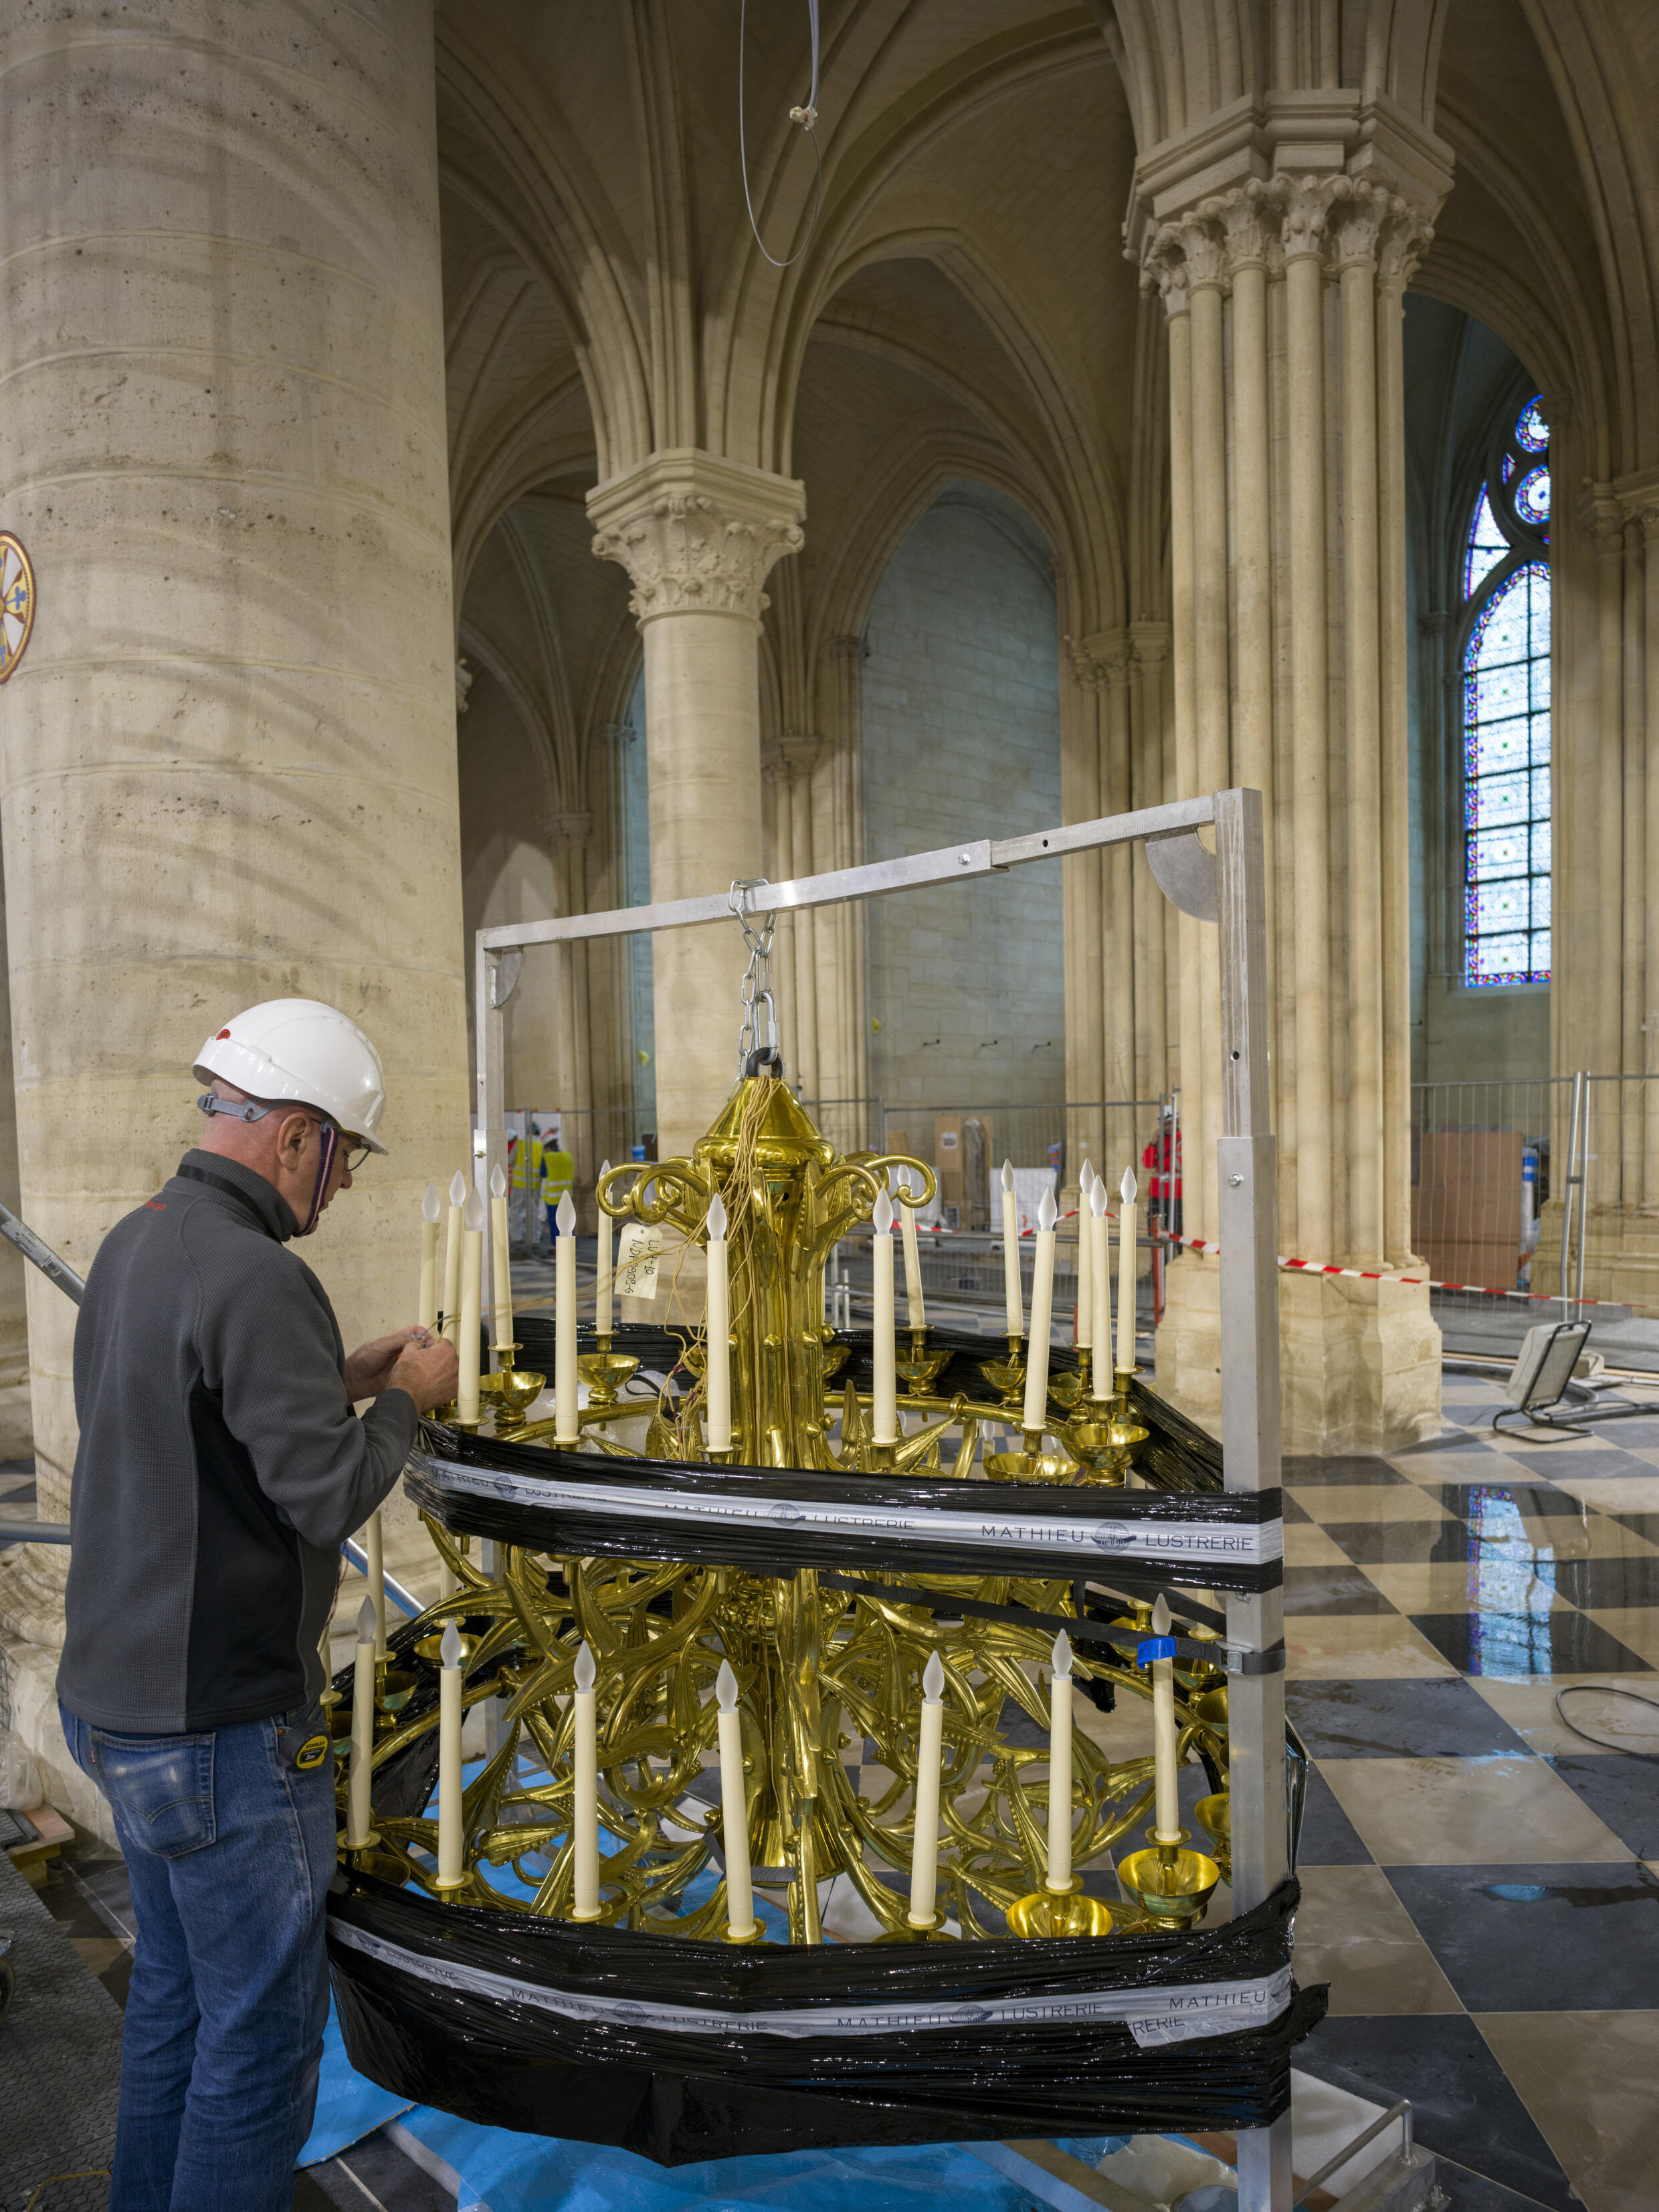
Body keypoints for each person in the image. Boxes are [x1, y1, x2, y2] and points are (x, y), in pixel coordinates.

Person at [56, 998, 458, 2212]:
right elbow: (324, 1494)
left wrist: (342, 1377)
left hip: (114, 1707)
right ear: (294, 1134)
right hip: (218, 1727)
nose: (338, 1190)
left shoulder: (145, 1236)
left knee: (174, 2004)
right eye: (343, 1158)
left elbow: (195, 1404)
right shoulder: (262, 1272)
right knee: (258, 2048)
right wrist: (410, 1405)